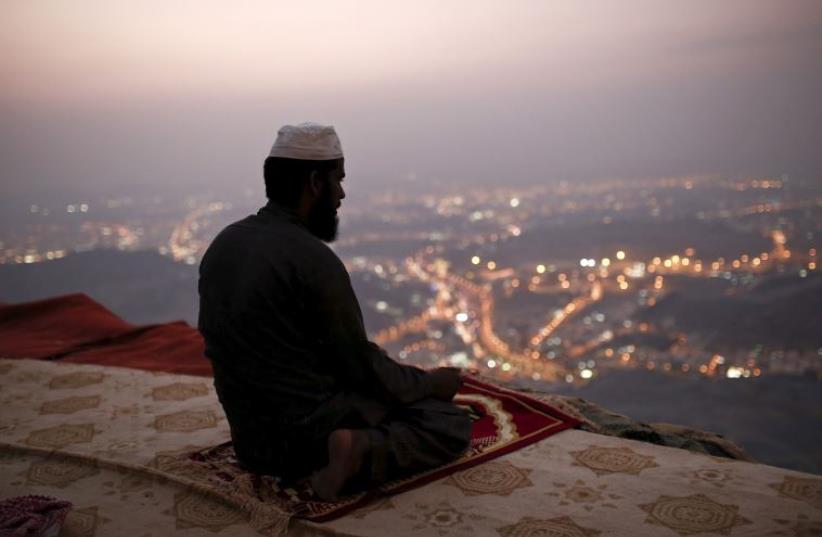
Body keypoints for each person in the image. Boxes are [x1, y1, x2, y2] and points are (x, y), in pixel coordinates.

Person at [198, 123, 471, 500]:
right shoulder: (312, 260)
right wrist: (429, 384)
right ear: (314, 183)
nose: (341, 194)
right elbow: (359, 365)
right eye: (338, 180)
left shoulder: (224, 244)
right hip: (305, 441)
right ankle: (358, 451)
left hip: (250, 441)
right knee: (447, 422)